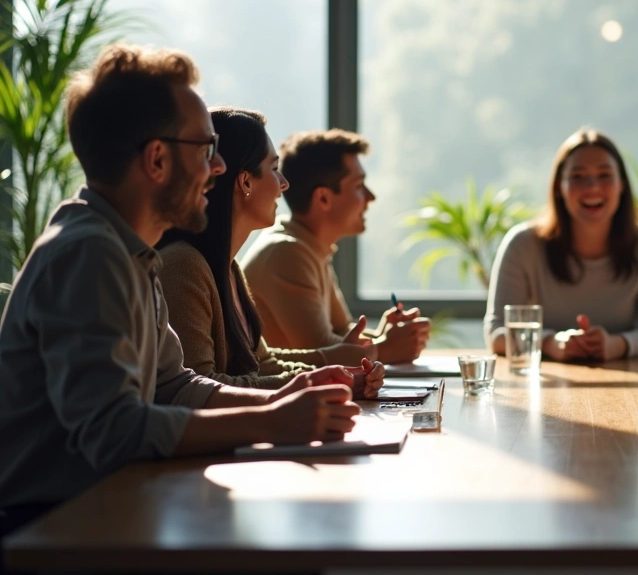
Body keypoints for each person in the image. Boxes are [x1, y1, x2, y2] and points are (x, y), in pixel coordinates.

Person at [0, 45, 361, 542]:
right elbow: (115, 432)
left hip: (110, 508)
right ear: (156, 159)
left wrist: (277, 399)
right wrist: (271, 422)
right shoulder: (89, 255)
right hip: (54, 530)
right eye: (205, 149)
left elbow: (174, 388)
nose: (216, 170)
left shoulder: (132, 252)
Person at [159, 106, 385, 393]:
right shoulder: (184, 265)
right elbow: (201, 389)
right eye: (274, 169)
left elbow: (262, 364)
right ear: (245, 181)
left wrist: (339, 374)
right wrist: (321, 378)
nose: (283, 184)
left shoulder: (228, 267)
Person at [484, 129, 638, 361]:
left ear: (622, 185)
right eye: (577, 176)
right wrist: (549, 343)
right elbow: (496, 334)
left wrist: (616, 345)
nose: (592, 187)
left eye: (605, 175)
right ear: (559, 187)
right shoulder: (522, 245)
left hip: (631, 387)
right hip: (543, 388)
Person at [241, 129, 429, 364]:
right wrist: (384, 349)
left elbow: (340, 333)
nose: (371, 197)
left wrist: (381, 337)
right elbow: (325, 353)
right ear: (323, 199)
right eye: (359, 186)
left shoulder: (311, 248)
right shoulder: (286, 253)